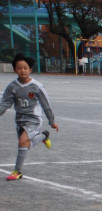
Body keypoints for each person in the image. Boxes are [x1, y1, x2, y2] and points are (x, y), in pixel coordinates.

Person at [0, 53, 59, 181]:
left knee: (22, 142)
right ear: (15, 69)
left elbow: (46, 105)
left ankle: (17, 171)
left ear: (30, 69)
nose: (22, 70)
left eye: (25, 68)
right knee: (25, 145)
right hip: (20, 120)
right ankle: (44, 136)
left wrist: (52, 121)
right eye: (19, 68)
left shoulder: (36, 86)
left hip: (34, 119)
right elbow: (5, 104)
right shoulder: (12, 87)